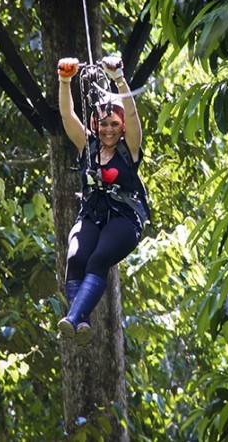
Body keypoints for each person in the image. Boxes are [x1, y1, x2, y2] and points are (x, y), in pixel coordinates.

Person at [56, 55, 149, 347]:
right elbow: (67, 116)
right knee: (75, 259)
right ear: (95, 124)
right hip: (91, 215)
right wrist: (65, 79)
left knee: (97, 259)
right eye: (102, 123)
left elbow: (133, 118)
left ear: (121, 126)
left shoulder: (129, 149)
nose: (108, 129)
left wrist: (119, 78)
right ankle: (80, 321)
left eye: (113, 124)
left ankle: (72, 318)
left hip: (124, 218)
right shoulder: (88, 145)